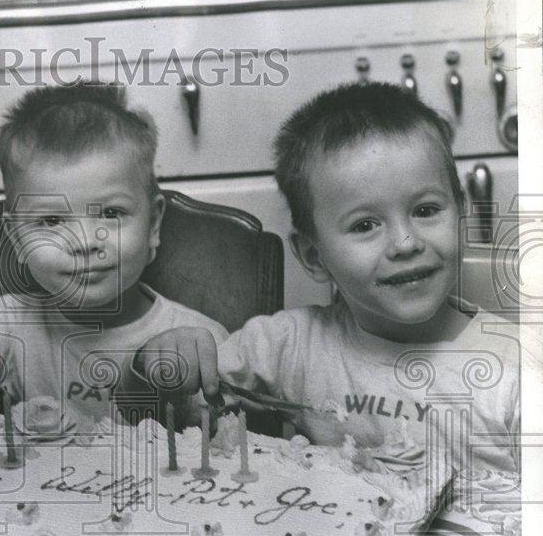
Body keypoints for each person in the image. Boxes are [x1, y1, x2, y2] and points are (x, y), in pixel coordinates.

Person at [132, 82, 520, 472]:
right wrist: (166, 360)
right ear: (314, 256)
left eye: (425, 210)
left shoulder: (519, 369)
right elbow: (181, 411)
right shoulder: (290, 346)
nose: (405, 243)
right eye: (366, 224)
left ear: (461, 215)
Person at [0, 82, 227, 427]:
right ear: (17, 238)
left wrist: (184, 384)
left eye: (111, 214)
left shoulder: (198, 340)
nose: (83, 242)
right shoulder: (9, 329)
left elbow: (230, 437)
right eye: (51, 220)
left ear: (154, 225)